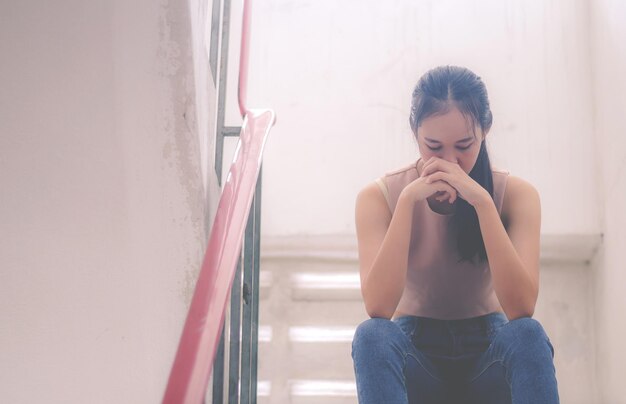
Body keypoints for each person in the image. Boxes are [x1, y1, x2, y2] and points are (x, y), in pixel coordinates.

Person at [351, 65, 560, 404]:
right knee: (371, 335)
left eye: (464, 145)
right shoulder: (380, 197)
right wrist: (407, 202)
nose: (450, 161)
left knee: (527, 335)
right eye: (433, 146)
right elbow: (378, 306)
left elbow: (522, 307)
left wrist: (481, 201)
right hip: (415, 353)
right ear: (414, 133)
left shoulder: (517, 195)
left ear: (485, 130)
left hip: (488, 353)